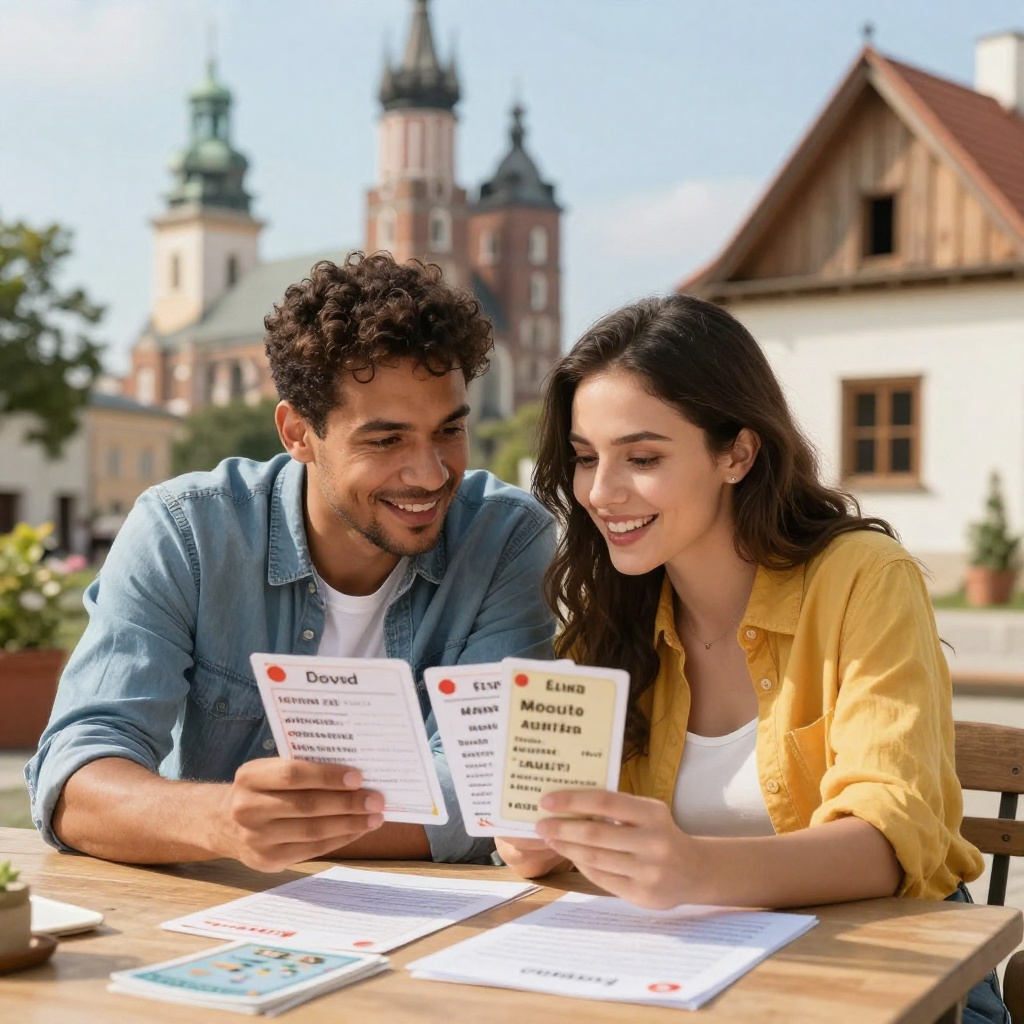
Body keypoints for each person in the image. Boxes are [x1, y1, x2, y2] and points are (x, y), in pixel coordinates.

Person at [496, 294, 1008, 1024]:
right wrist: (537, 841)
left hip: (900, 980)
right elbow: (587, 834)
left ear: (736, 452)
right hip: (693, 980)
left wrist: (692, 869)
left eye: (641, 458)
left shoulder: (864, 577)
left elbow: (890, 841)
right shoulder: (610, 617)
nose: (600, 493)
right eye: (584, 459)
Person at [27, 252, 555, 873]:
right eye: (386, 440)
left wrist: (276, 828)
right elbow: (75, 778)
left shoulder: (507, 538)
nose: (431, 474)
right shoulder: (187, 532)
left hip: (429, 927)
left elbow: (496, 793)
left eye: (448, 431)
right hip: (210, 914)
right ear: (297, 432)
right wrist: (222, 820)